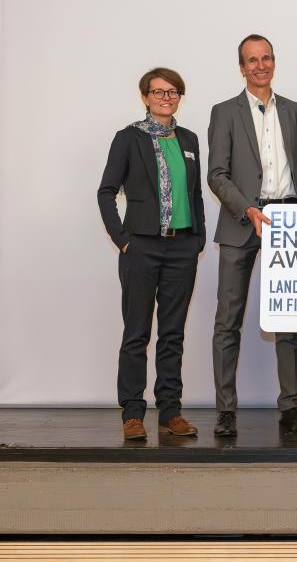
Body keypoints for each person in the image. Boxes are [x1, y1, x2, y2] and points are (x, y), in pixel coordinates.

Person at [208, 34, 297, 437]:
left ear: (274, 61)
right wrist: (247, 208)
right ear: (242, 68)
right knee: (228, 322)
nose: (260, 65)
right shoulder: (224, 112)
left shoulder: (293, 110)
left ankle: (291, 407)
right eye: (252, 60)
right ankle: (226, 411)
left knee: (289, 320)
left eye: (266, 58)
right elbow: (216, 174)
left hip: (287, 222)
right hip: (241, 220)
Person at [97, 67, 206, 440]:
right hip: (141, 246)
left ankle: (170, 411)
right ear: (145, 97)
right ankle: (132, 413)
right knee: (137, 333)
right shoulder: (128, 138)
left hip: (182, 247)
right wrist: (123, 239)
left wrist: (197, 238)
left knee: (172, 334)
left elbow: (195, 194)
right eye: (158, 92)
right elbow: (106, 191)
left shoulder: (189, 139)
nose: (166, 98)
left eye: (173, 92)